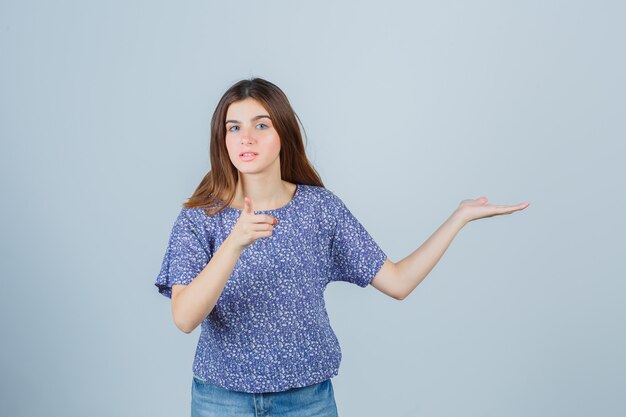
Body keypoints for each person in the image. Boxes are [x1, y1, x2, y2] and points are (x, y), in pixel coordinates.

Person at [154, 77, 529, 417]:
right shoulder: (199, 217)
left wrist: (458, 218)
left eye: (261, 125)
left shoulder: (321, 209)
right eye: (233, 127)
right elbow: (185, 318)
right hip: (221, 400)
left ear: (283, 133)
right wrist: (233, 244)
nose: (245, 138)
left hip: (306, 401)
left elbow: (398, 282)